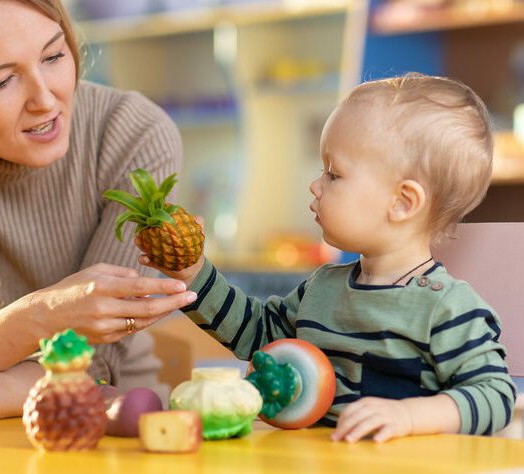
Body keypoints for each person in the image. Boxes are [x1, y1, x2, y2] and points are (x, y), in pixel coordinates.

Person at [149, 73, 517, 442]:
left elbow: (496, 397)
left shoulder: (448, 309)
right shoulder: (320, 288)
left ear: (403, 202)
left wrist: (409, 415)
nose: (315, 184)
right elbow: (255, 333)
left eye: (334, 174)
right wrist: (192, 273)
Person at [0, 0, 197, 428]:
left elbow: (96, 355)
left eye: (53, 56)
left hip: (109, 424)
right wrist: (38, 316)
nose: (45, 100)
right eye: (1, 82)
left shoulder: (131, 133)